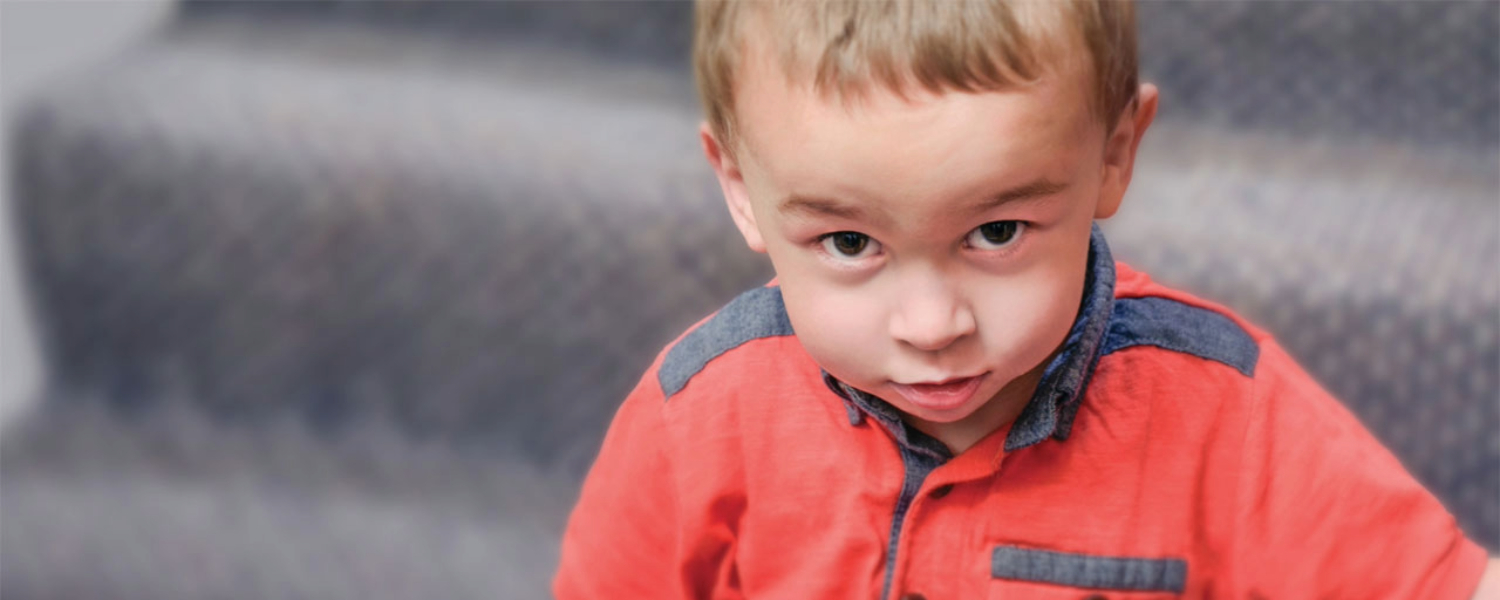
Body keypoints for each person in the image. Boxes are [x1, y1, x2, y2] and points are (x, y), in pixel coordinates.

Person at [554, 1, 1498, 597]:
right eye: (849, 244)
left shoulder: (1227, 412)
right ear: (738, 189)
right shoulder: (699, 412)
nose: (932, 328)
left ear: (1115, 155)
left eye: (997, 233)